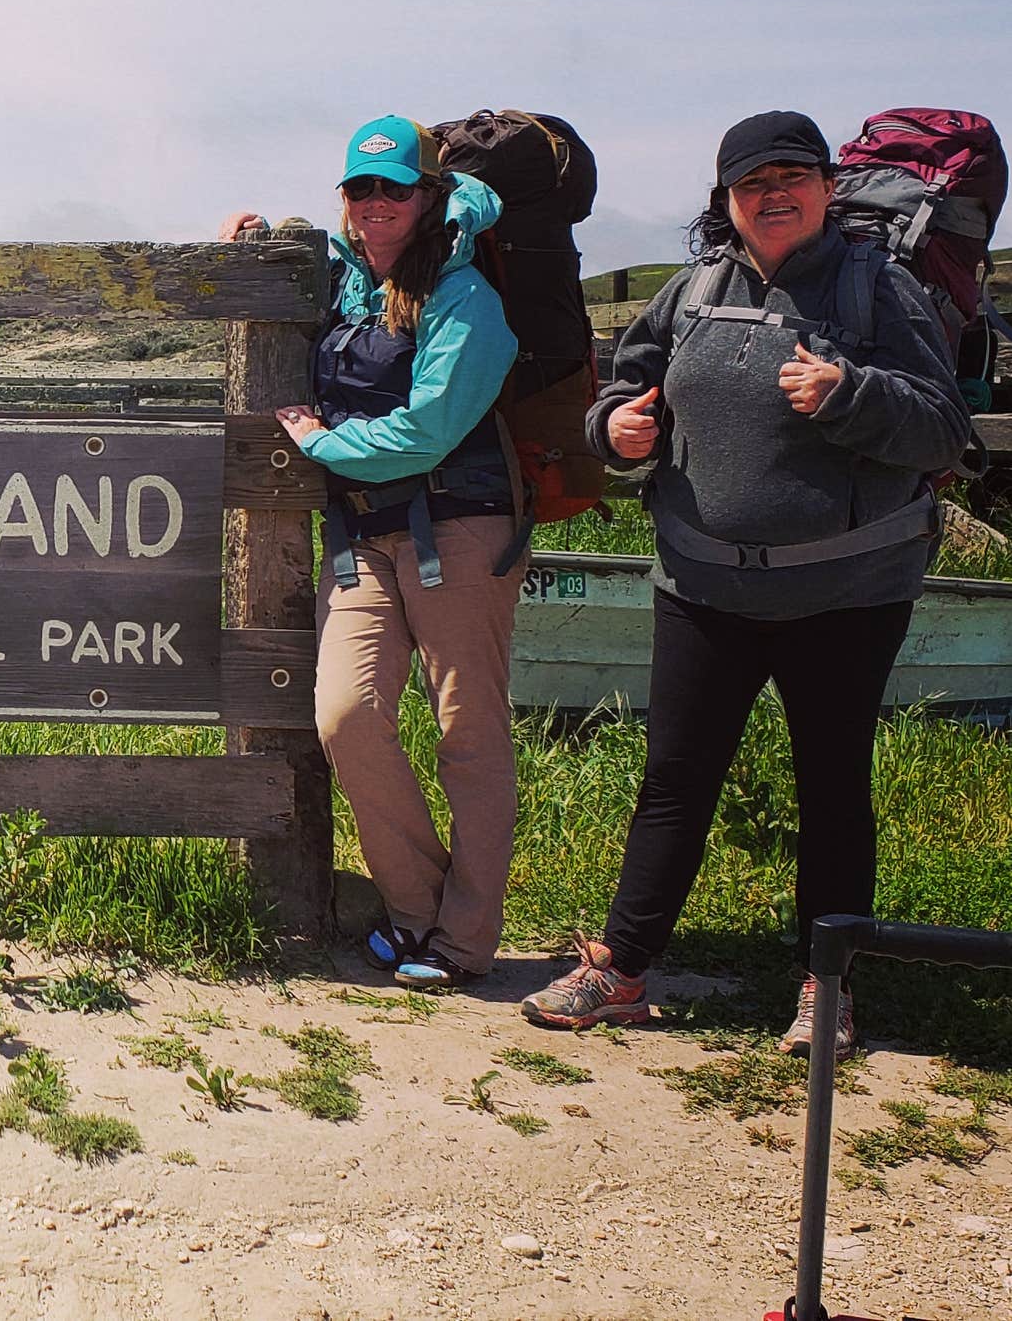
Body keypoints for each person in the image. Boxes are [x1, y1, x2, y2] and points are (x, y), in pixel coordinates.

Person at [522, 112, 970, 1055]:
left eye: (793, 176)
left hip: (847, 595)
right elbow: (624, 390)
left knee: (834, 786)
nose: (774, 193)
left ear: (825, 187)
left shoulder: (877, 288)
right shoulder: (692, 290)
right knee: (674, 781)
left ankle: (828, 987)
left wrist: (850, 395)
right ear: (726, 200)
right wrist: (615, 432)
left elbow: (942, 426)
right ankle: (622, 967)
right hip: (702, 587)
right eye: (752, 181)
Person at [228, 116, 522, 990]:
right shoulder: (347, 280)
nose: (377, 204)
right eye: (362, 189)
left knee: (469, 736)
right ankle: (419, 911)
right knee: (346, 716)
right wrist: (248, 243)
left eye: (396, 187)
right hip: (361, 534)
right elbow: (289, 260)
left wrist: (322, 444)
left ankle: (463, 941)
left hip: (460, 526)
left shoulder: (467, 296)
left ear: (431, 194)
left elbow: (430, 429)